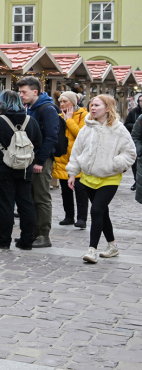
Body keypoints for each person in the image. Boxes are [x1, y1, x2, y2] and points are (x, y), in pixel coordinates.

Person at [66, 94, 136, 263]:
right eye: (92, 105)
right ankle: (112, 246)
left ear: (108, 108)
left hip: (110, 177)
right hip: (89, 177)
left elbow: (130, 152)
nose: (93, 108)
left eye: (97, 105)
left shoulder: (118, 129)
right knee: (102, 213)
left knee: (96, 210)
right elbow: (76, 152)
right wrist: (72, 172)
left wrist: (115, 163)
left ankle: (92, 250)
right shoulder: (86, 128)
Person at [0, 91, 41, 250]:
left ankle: (3, 240)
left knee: (5, 206)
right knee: (26, 204)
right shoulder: (31, 120)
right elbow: (38, 142)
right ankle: (27, 240)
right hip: (25, 169)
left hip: (2, 168)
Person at [16, 77, 60, 248]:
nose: (21, 95)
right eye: (20, 92)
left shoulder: (47, 109)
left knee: (41, 197)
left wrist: (40, 160)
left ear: (35, 92)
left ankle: (43, 235)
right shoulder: (29, 108)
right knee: (31, 197)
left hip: (41, 159)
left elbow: (51, 137)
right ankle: (32, 234)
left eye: (24, 92)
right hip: (29, 157)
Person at [53, 91, 89, 228]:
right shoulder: (58, 116)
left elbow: (81, 135)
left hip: (78, 159)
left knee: (80, 190)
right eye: (60, 101)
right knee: (65, 190)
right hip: (63, 158)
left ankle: (82, 219)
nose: (62, 104)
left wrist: (69, 120)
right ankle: (69, 216)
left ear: (73, 102)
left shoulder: (84, 115)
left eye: (65, 101)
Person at [124, 94, 142, 191]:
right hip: (137, 142)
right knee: (135, 164)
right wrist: (136, 125)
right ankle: (136, 181)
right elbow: (126, 124)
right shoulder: (134, 113)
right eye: (140, 101)